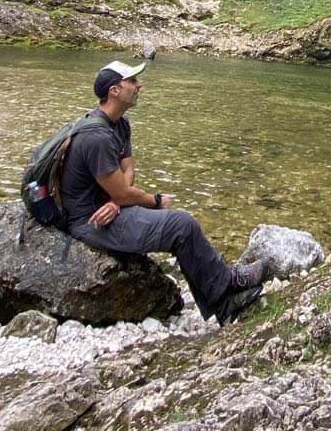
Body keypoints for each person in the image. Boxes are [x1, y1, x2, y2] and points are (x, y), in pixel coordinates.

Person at [60, 59, 269, 325]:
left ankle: (225, 299)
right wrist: (155, 201)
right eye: (132, 81)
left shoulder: (119, 124)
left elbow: (128, 171)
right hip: (90, 221)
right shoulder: (96, 138)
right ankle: (229, 289)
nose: (139, 85)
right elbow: (126, 192)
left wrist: (116, 198)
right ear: (114, 90)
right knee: (181, 225)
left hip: (109, 206)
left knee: (179, 226)